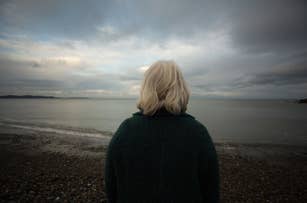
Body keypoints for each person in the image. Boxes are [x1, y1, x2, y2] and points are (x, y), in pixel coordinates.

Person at [104, 60, 219, 203]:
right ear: (180, 88)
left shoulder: (126, 130)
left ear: (146, 88)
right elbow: (211, 191)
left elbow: (111, 186)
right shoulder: (197, 133)